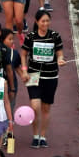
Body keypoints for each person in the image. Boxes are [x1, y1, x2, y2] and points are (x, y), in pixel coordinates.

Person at [20, 9, 65, 148]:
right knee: (35, 107)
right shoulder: (31, 37)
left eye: (47, 21)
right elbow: (23, 55)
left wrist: (60, 60)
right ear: (37, 22)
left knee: (46, 108)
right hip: (34, 76)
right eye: (43, 21)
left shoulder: (55, 36)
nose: (45, 23)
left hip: (51, 76)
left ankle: (43, 136)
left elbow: (59, 54)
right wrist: (24, 70)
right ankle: (34, 135)